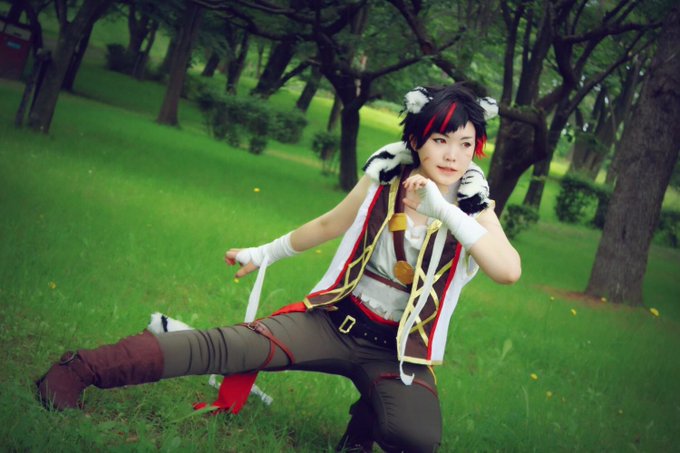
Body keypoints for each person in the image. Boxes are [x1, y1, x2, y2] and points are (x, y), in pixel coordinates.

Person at [37, 83, 520, 452]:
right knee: (227, 347)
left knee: (416, 438)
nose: (452, 154)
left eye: (465, 143)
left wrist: (445, 211)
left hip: (397, 352)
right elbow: (329, 223)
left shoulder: (474, 207)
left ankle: (367, 418)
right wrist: (264, 252)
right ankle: (81, 368)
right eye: (440, 139)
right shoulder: (386, 178)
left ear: (476, 147)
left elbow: (508, 271)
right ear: (417, 139)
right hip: (335, 321)